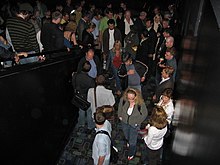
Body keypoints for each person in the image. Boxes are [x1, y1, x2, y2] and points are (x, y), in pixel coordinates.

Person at [118, 88, 148, 160]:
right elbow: (119, 108)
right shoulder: (123, 100)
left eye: (132, 98)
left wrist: (137, 122)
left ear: (136, 96)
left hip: (134, 125)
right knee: (127, 135)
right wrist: (119, 116)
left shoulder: (140, 103)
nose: (130, 100)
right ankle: (128, 141)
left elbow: (145, 114)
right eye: (128, 98)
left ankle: (131, 153)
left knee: (132, 142)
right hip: (124, 122)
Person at [72, 61, 95, 129]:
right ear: (89, 69)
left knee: (81, 111)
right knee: (89, 111)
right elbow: (93, 89)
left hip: (79, 96)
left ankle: (81, 123)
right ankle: (90, 125)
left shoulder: (75, 75)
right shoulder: (90, 80)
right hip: (87, 97)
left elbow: (73, 84)